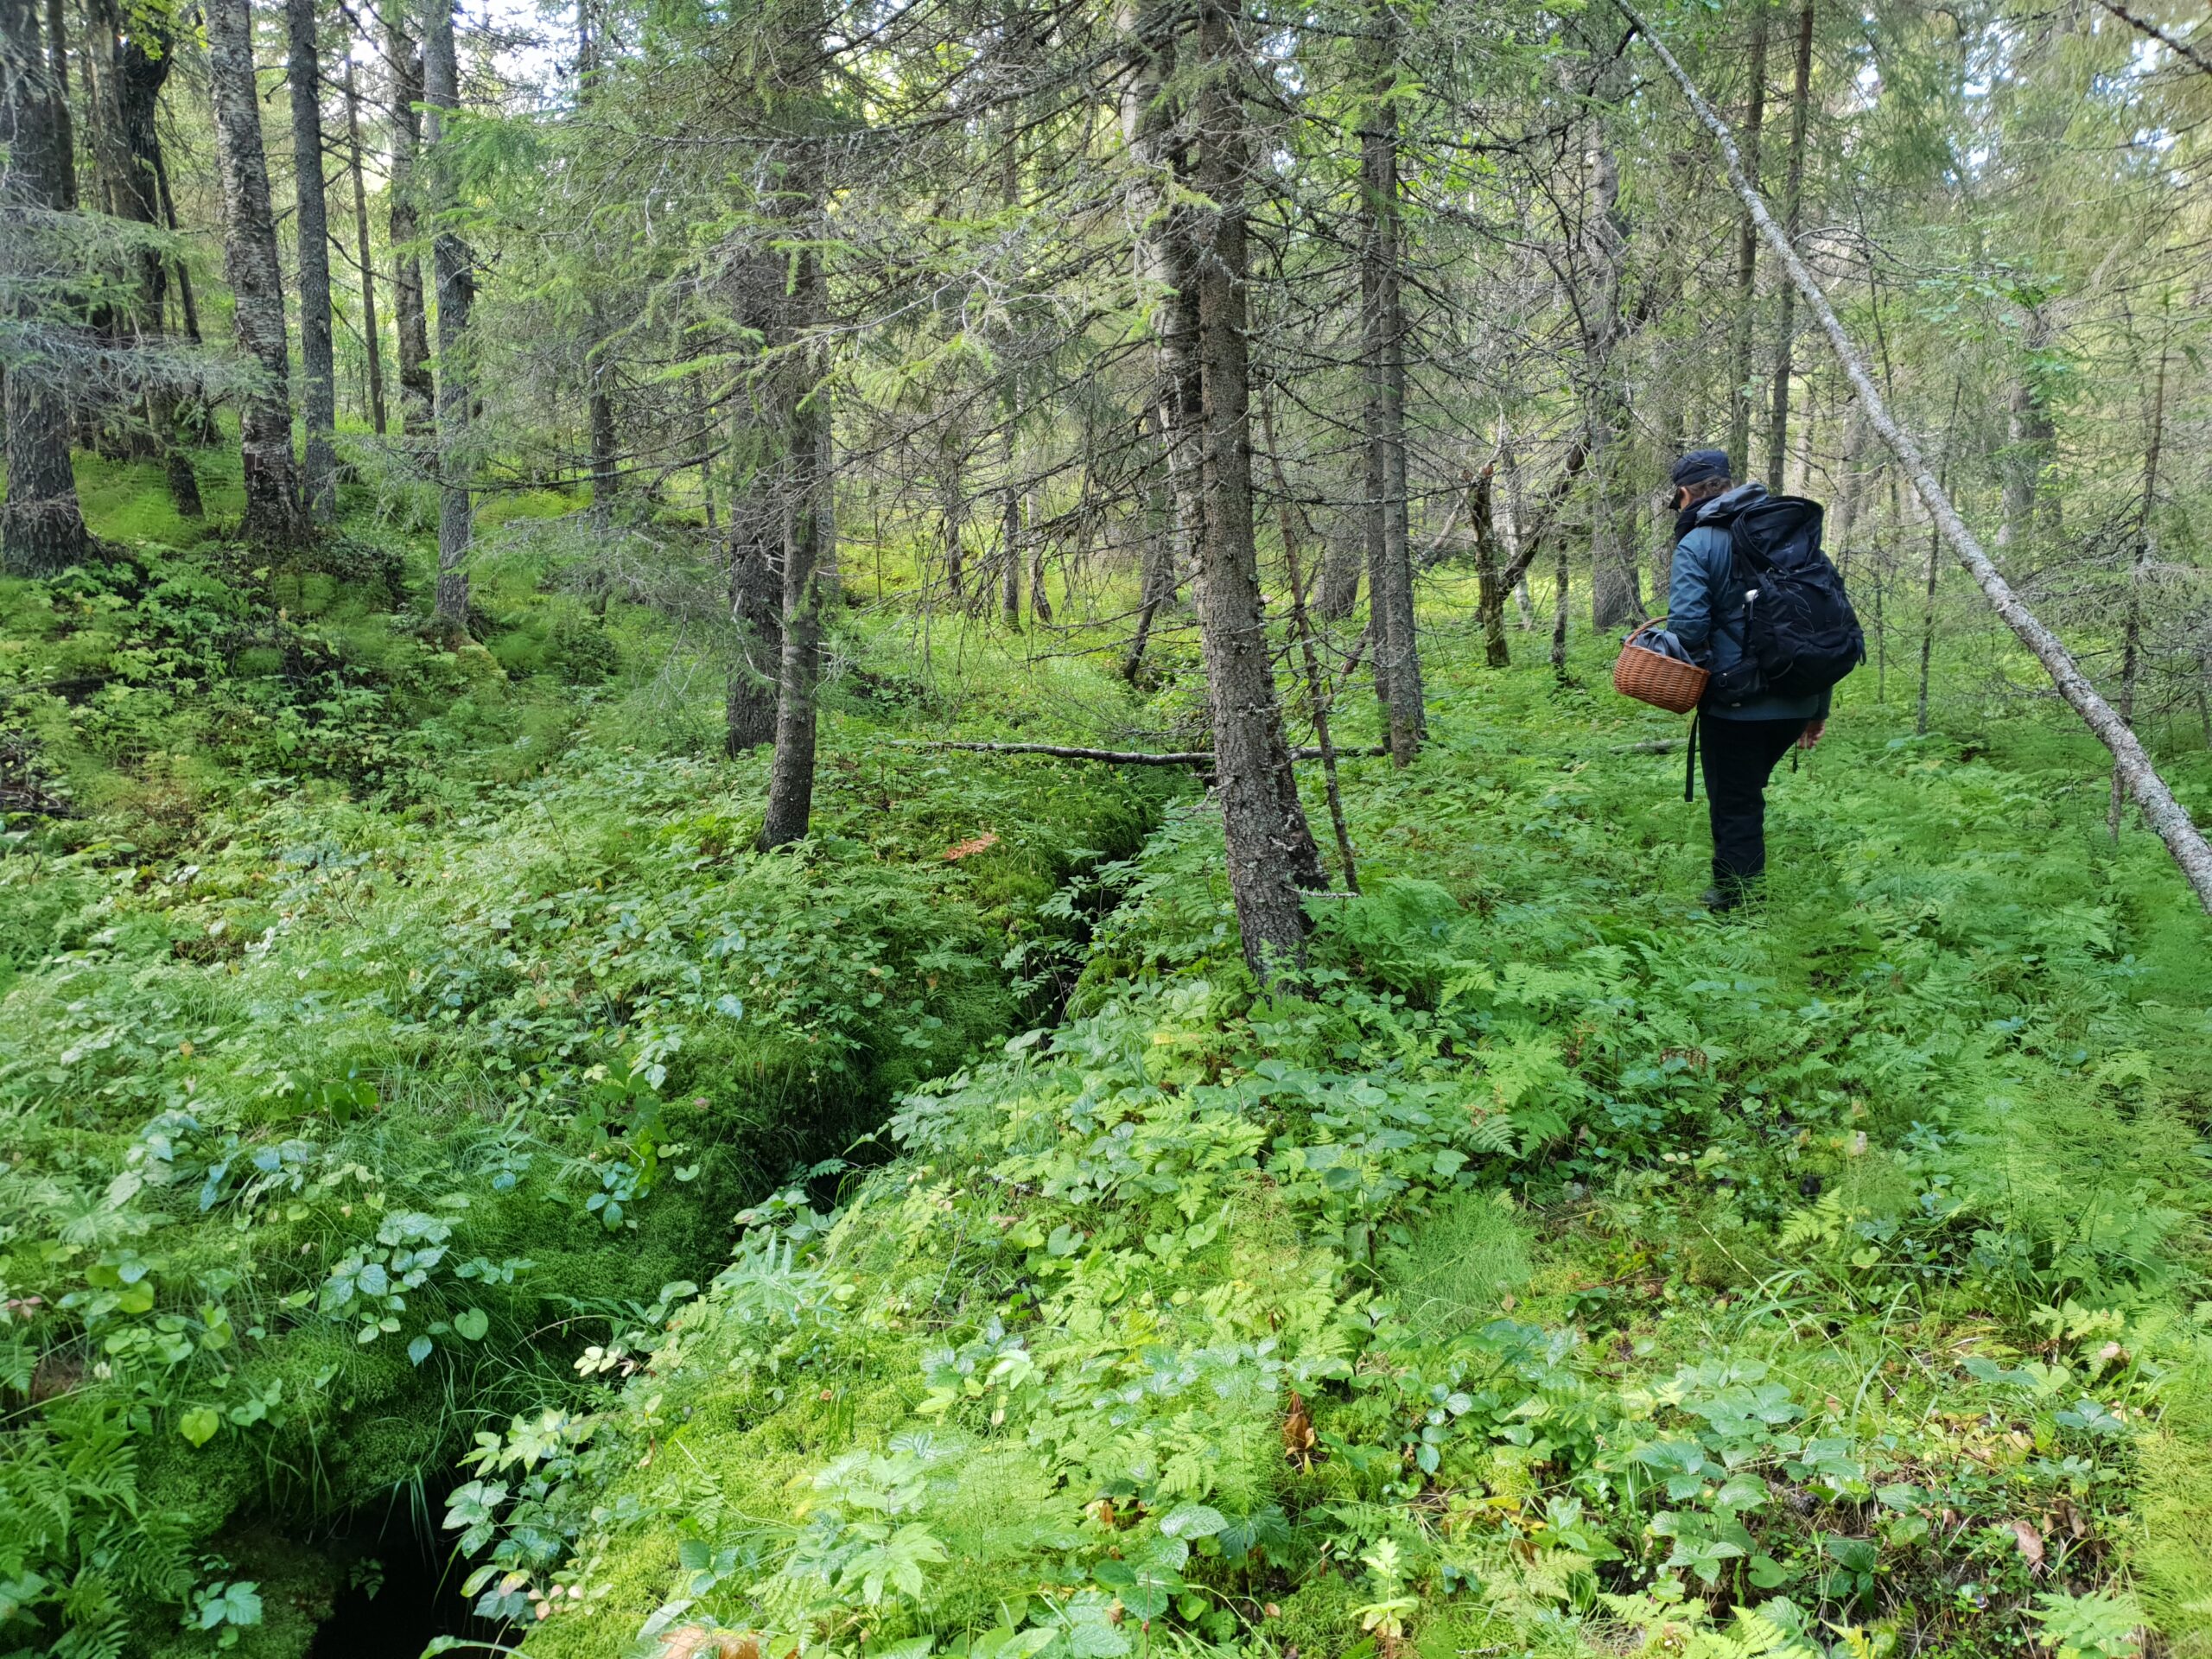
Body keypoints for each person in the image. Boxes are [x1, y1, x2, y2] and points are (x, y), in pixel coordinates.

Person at [1666, 448, 1828, 912]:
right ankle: (1741, 891)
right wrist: (1818, 708)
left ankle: (1738, 905)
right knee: (1746, 794)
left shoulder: (1699, 543)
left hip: (1735, 705)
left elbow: (1688, 627)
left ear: (1685, 493)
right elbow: (1821, 623)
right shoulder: (1790, 535)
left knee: (1735, 803)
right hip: (1799, 697)